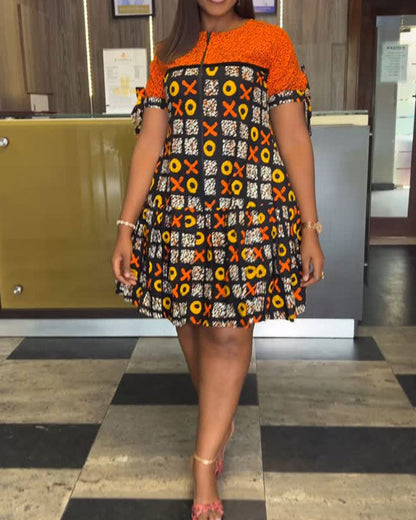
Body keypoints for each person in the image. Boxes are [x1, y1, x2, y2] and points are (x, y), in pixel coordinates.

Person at [112, 1, 325, 518]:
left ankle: (204, 463)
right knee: (190, 328)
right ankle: (220, 422)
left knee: (228, 335)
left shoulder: (269, 43)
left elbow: (293, 138)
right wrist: (126, 227)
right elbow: (150, 142)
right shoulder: (168, 54)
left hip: (247, 213)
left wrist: (310, 227)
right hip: (178, 214)